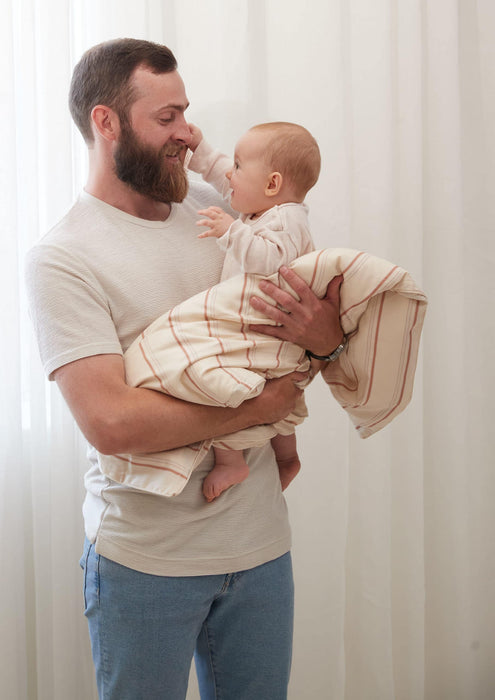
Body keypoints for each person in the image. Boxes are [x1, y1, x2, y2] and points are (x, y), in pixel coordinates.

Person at [25, 38, 344, 700]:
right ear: (105, 122)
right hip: (146, 563)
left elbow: (307, 329)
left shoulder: (224, 209)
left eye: (185, 113)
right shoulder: (63, 257)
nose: (187, 133)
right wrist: (257, 410)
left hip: (258, 549)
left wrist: (322, 334)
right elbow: (110, 422)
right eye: (165, 118)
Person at [187, 121, 322, 501]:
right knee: (275, 401)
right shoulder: (264, 210)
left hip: (266, 332)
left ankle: (231, 461)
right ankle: (288, 458)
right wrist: (202, 152)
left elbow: (269, 261)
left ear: (273, 184)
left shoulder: (287, 220)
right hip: (261, 329)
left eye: (240, 165)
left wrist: (231, 231)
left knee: (223, 387)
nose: (230, 174)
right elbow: (226, 181)